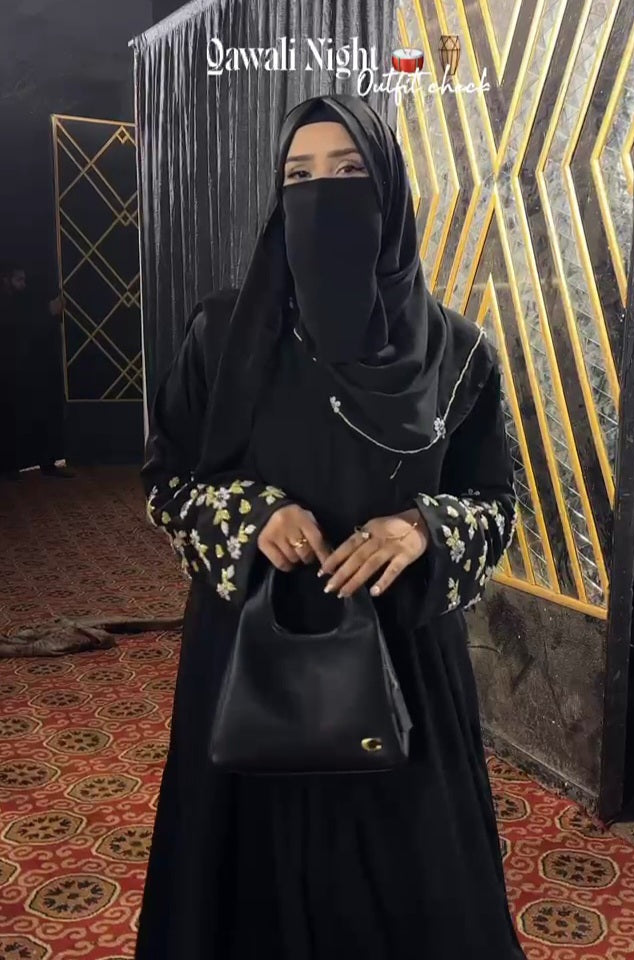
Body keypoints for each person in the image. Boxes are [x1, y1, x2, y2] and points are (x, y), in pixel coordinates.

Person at [136, 95, 525, 960]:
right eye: (299, 176)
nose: (324, 194)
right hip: (249, 655)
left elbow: (497, 504)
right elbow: (167, 480)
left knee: (414, 884)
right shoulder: (224, 334)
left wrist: (424, 529)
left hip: (402, 665)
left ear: (390, 192)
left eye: (350, 173)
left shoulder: (459, 353)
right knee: (242, 888)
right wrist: (251, 514)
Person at [0, 262, 73, 479]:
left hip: (31, 371)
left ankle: (46, 462)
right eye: (18, 280)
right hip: (11, 373)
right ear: (6, 280)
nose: (23, 285)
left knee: (41, 415)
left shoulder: (23, 300)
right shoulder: (7, 304)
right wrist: (47, 312)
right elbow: (18, 327)